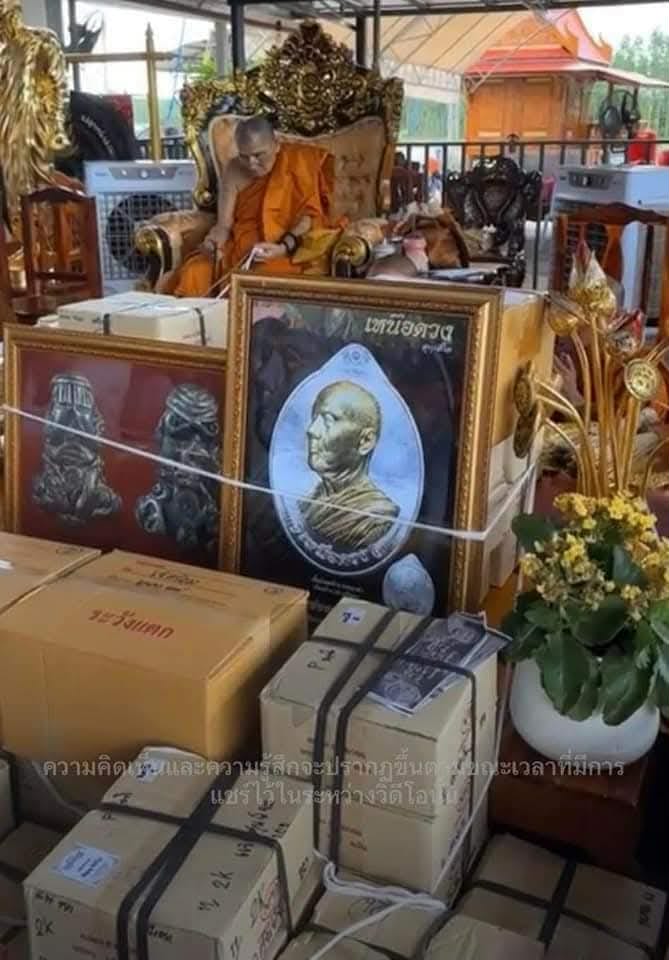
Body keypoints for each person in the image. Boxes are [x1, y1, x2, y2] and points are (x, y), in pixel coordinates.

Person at [172, 117, 337, 296]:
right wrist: (213, 243)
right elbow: (224, 225)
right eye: (244, 156)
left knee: (258, 277)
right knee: (195, 271)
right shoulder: (234, 170)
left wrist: (282, 248)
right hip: (239, 247)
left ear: (276, 146)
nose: (251, 164)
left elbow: (308, 218)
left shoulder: (299, 163)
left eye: (258, 155)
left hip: (284, 247)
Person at [300, 380, 400, 552]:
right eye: (315, 419)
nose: (312, 430)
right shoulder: (305, 505)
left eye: (328, 421)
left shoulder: (378, 516)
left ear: (365, 441)